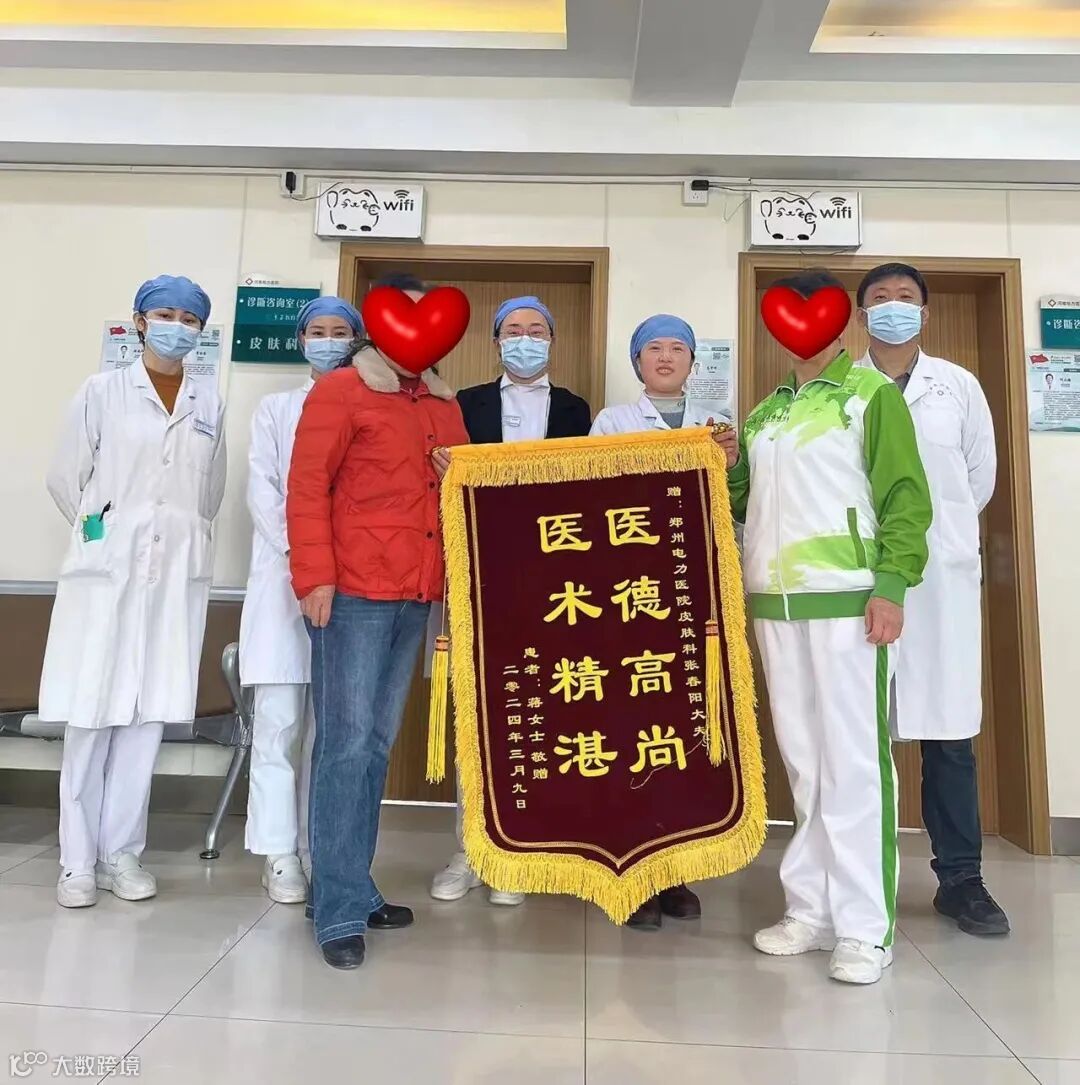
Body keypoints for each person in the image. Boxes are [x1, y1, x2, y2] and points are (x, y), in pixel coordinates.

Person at [728, 267, 932, 984]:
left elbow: (905, 497)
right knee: (806, 765)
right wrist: (729, 464)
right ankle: (810, 911)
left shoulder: (871, 396)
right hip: (775, 606)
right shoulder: (765, 415)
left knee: (855, 763)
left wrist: (891, 585)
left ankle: (865, 928)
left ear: (841, 322)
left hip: (849, 602)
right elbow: (744, 504)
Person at [286, 284, 470, 970]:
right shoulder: (341, 391)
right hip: (354, 592)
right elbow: (307, 486)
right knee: (345, 744)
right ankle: (336, 904)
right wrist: (315, 577)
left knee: (373, 744)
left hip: (417, 592)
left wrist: (456, 475)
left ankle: (353, 885)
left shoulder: (445, 404)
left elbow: (461, 496)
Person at [43, 274, 226, 909]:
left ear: (200, 331)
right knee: (91, 715)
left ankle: (122, 854)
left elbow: (208, 495)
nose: (178, 327)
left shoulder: (209, 403)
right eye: (166, 315)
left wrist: (169, 539)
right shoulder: (101, 392)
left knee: (147, 717)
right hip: (107, 576)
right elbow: (66, 480)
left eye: (190, 319)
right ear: (141, 322)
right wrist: (102, 535)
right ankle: (76, 862)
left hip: (172, 578)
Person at [855, 262, 1007, 936]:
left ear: (925, 312)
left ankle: (962, 879)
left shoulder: (959, 386)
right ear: (861, 314)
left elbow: (978, 478)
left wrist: (936, 539)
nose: (893, 307)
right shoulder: (846, 389)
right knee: (860, 734)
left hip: (940, 579)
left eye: (905, 298)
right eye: (880, 298)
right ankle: (861, 877)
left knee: (949, 734)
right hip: (863, 578)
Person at [430, 294, 592, 908]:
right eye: (514, 331)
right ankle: (469, 848)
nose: (525, 340)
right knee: (474, 709)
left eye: (536, 330)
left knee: (533, 710)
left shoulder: (575, 409)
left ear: (552, 340)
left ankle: (518, 850)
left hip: (550, 582)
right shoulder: (464, 404)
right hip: (476, 573)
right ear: (497, 342)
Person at [588, 313, 731, 930]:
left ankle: (676, 872)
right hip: (630, 595)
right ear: (637, 361)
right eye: (654, 349)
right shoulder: (612, 422)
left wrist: (730, 465)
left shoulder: (717, 426)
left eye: (678, 348)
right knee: (630, 732)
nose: (666, 357)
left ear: (693, 362)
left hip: (694, 595)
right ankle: (635, 873)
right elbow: (594, 499)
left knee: (686, 732)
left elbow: (733, 507)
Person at [239, 297, 364, 903]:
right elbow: (262, 490)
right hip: (284, 580)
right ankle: (279, 854)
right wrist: (304, 555)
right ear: (301, 339)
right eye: (318, 331)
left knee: (334, 731)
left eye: (340, 332)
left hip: (351, 585)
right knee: (280, 722)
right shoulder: (276, 409)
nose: (328, 340)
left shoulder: (369, 404)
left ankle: (323, 849)